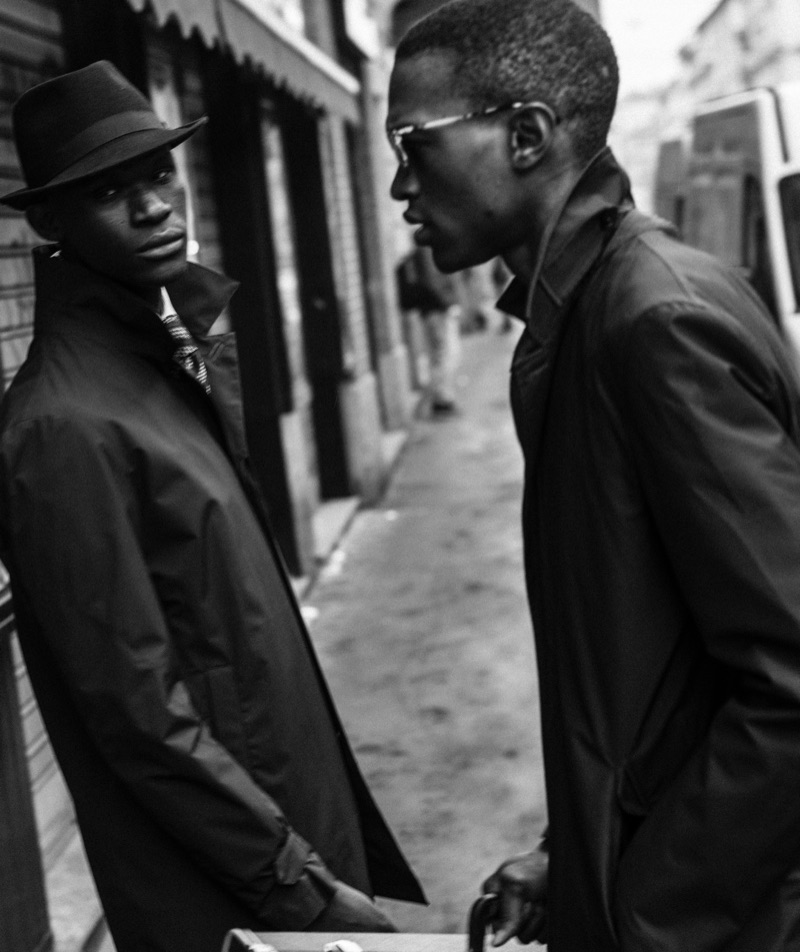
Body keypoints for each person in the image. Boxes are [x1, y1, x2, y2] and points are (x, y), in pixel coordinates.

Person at [387, 1, 800, 950]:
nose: (401, 186)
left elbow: (788, 680)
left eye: (413, 145)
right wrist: (570, 855)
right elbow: (649, 676)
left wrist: (643, 912)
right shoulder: (579, 313)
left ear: (525, 135)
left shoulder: (651, 321)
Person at [0, 61, 424, 952]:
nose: (153, 204)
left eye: (157, 172)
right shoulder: (61, 425)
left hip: (290, 820)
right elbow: (137, 709)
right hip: (239, 881)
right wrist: (292, 882)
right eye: (109, 190)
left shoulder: (157, 361)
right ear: (48, 222)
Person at [396, 243, 462, 414]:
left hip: (432, 310)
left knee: (440, 354)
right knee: (444, 354)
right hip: (437, 310)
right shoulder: (427, 249)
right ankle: (442, 400)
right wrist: (447, 303)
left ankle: (442, 398)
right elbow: (432, 280)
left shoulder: (423, 249)